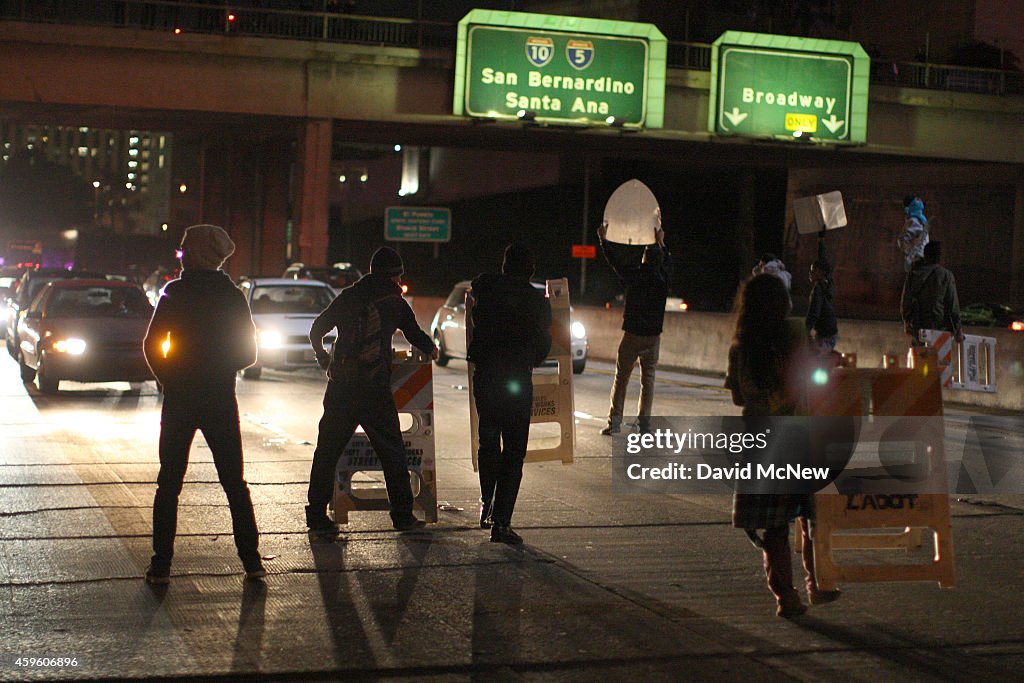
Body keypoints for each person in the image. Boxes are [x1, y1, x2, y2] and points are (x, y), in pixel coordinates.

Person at [143, 224, 264, 585]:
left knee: (169, 483)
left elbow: (151, 343)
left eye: (183, 250)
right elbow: (249, 354)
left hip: (180, 398)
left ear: (195, 253)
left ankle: (161, 566)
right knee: (234, 483)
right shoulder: (233, 296)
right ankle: (252, 562)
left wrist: (169, 377)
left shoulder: (174, 293)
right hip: (220, 399)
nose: (180, 256)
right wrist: (220, 366)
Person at [725, 274, 840, 618]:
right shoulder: (794, 333)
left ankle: (785, 597)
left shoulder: (741, 346)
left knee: (774, 525)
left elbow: (737, 396)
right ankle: (818, 583)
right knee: (811, 514)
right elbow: (813, 374)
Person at [306, 246, 437, 534]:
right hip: (374, 388)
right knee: (391, 452)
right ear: (394, 276)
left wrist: (324, 358)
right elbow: (415, 334)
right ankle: (402, 516)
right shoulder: (394, 302)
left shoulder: (349, 296)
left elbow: (317, 330)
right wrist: (431, 348)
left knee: (327, 451)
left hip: (340, 386)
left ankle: (316, 516)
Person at [467, 242, 552, 544]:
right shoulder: (536, 301)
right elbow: (544, 342)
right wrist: (531, 359)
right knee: (514, 450)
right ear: (530, 270)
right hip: (516, 379)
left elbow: (477, 291)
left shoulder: (485, 290)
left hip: (486, 377)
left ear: (504, 268)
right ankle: (501, 522)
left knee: (488, 442)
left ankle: (486, 506)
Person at [598, 223, 672, 435]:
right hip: (653, 337)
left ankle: (615, 423)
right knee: (647, 380)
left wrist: (604, 240)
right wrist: (661, 242)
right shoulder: (663, 280)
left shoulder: (635, 275)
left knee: (622, 378)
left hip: (632, 334)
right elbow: (669, 264)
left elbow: (615, 262)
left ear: (644, 259)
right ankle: (644, 425)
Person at [901, 240, 964, 345]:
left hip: (918, 326)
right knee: (939, 359)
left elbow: (906, 300)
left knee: (921, 358)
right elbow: (953, 304)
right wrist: (958, 329)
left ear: (925, 255)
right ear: (939, 256)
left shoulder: (914, 274)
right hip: (939, 327)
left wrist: (906, 321)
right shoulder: (945, 275)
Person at [805, 257, 838, 351]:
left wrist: (805, 331)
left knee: (816, 361)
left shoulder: (818, 288)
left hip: (824, 333)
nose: (810, 273)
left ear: (821, 272)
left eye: (813, 270)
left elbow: (814, 312)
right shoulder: (828, 285)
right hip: (831, 331)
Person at [898, 195, 929, 272]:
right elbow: (905, 239)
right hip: (919, 256)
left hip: (918, 256)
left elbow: (903, 239)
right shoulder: (917, 220)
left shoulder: (916, 220)